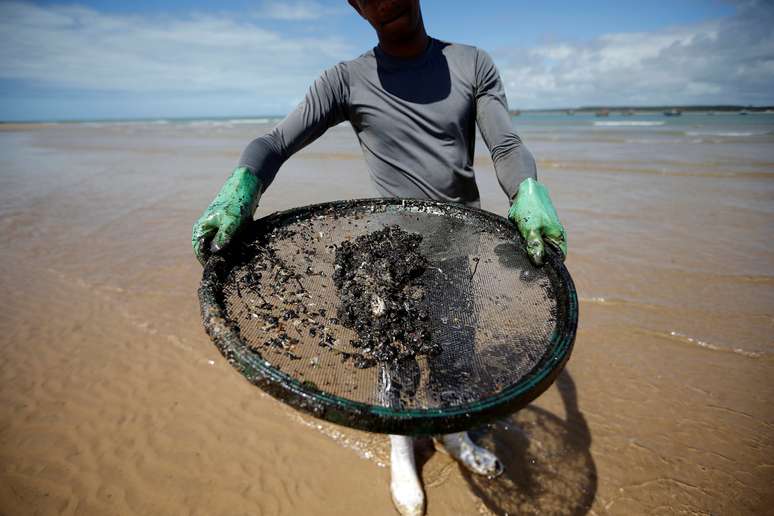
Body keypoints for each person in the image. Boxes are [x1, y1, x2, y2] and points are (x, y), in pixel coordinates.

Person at [192, 1, 567, 514]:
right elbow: (275, 142)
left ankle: (457, 438)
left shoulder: (472, 63)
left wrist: (526, 188)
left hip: (461, 246)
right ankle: (401, 453)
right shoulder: (345, 80)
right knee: (397, 366)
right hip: (388, 258)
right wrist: (242, 187)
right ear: (356, 7)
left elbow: (505, 145)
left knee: (457, 358)